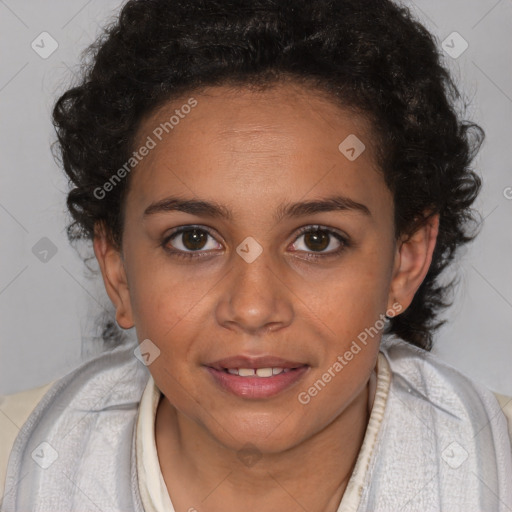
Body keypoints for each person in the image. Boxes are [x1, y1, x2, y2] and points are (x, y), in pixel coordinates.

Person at [1, 0, 511, 510]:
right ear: (117, 268)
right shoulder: (15, 467)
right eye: (193, 239)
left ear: (405, 261)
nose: (252, 308)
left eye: (317, 239)